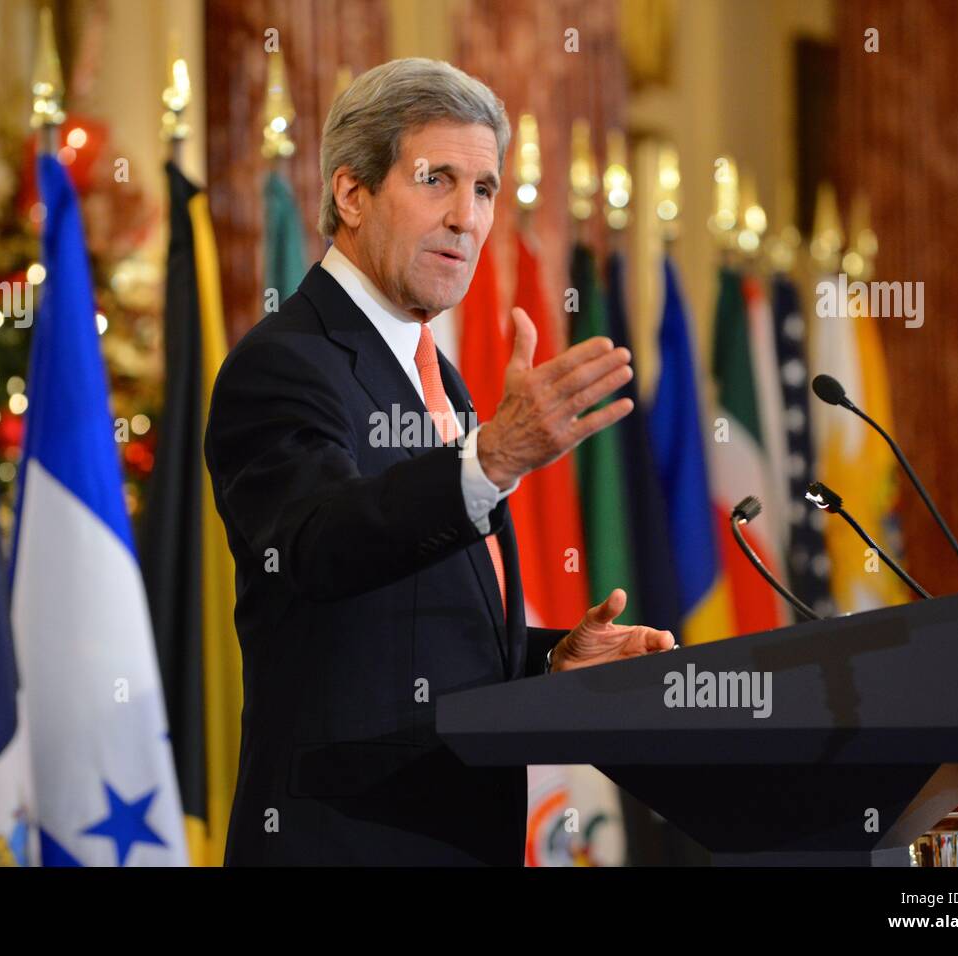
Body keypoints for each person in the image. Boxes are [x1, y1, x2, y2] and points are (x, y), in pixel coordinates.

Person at [205, 57, 675, 866]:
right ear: (351, 194)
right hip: (347, 844)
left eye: (485, 188)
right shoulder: (283, 364)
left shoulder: (437, 378)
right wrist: (489, 457)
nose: (467, 217)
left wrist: (547, 659)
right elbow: (318, 547)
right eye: (437, 180)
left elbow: (410, 624)